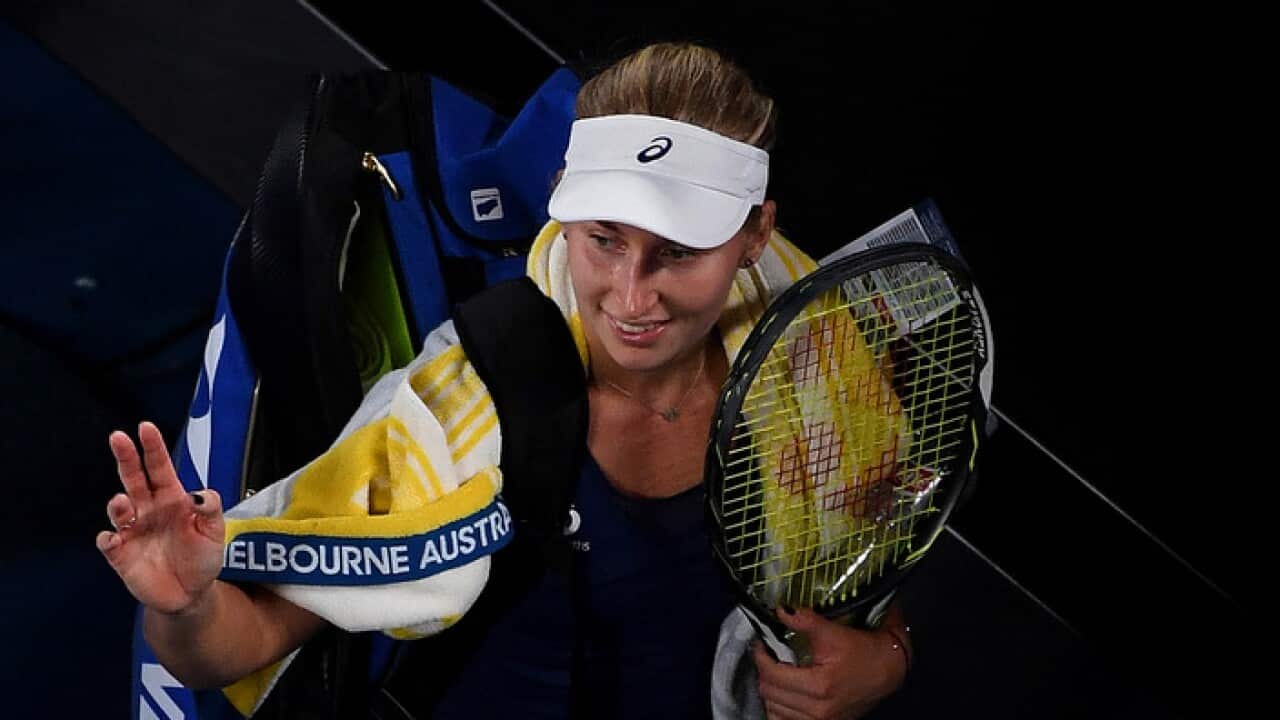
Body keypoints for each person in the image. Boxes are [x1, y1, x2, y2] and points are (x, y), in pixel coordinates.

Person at [96, 42, 911, 719]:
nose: (632, 298)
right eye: (603, 240)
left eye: (678, 253)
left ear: (755, 234)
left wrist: (885, 658)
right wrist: (184, 606)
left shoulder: (827, 360)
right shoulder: (468, 396)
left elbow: (864, 570)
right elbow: (233, 646)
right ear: (563, 207)